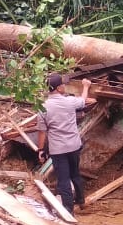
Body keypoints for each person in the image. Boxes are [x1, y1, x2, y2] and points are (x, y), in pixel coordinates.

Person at [36, 74, 95, 214]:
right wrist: (86, 86)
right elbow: (83, 100)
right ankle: (81, 201)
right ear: (58, 88)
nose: (64, 86)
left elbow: (42, 132)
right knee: (75, 173)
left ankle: (69, 210)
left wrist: (40, 150)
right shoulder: (69, 102)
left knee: (63, 179)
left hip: (58, 149)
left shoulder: (43, 107)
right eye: (63, 84)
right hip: (74, 146)